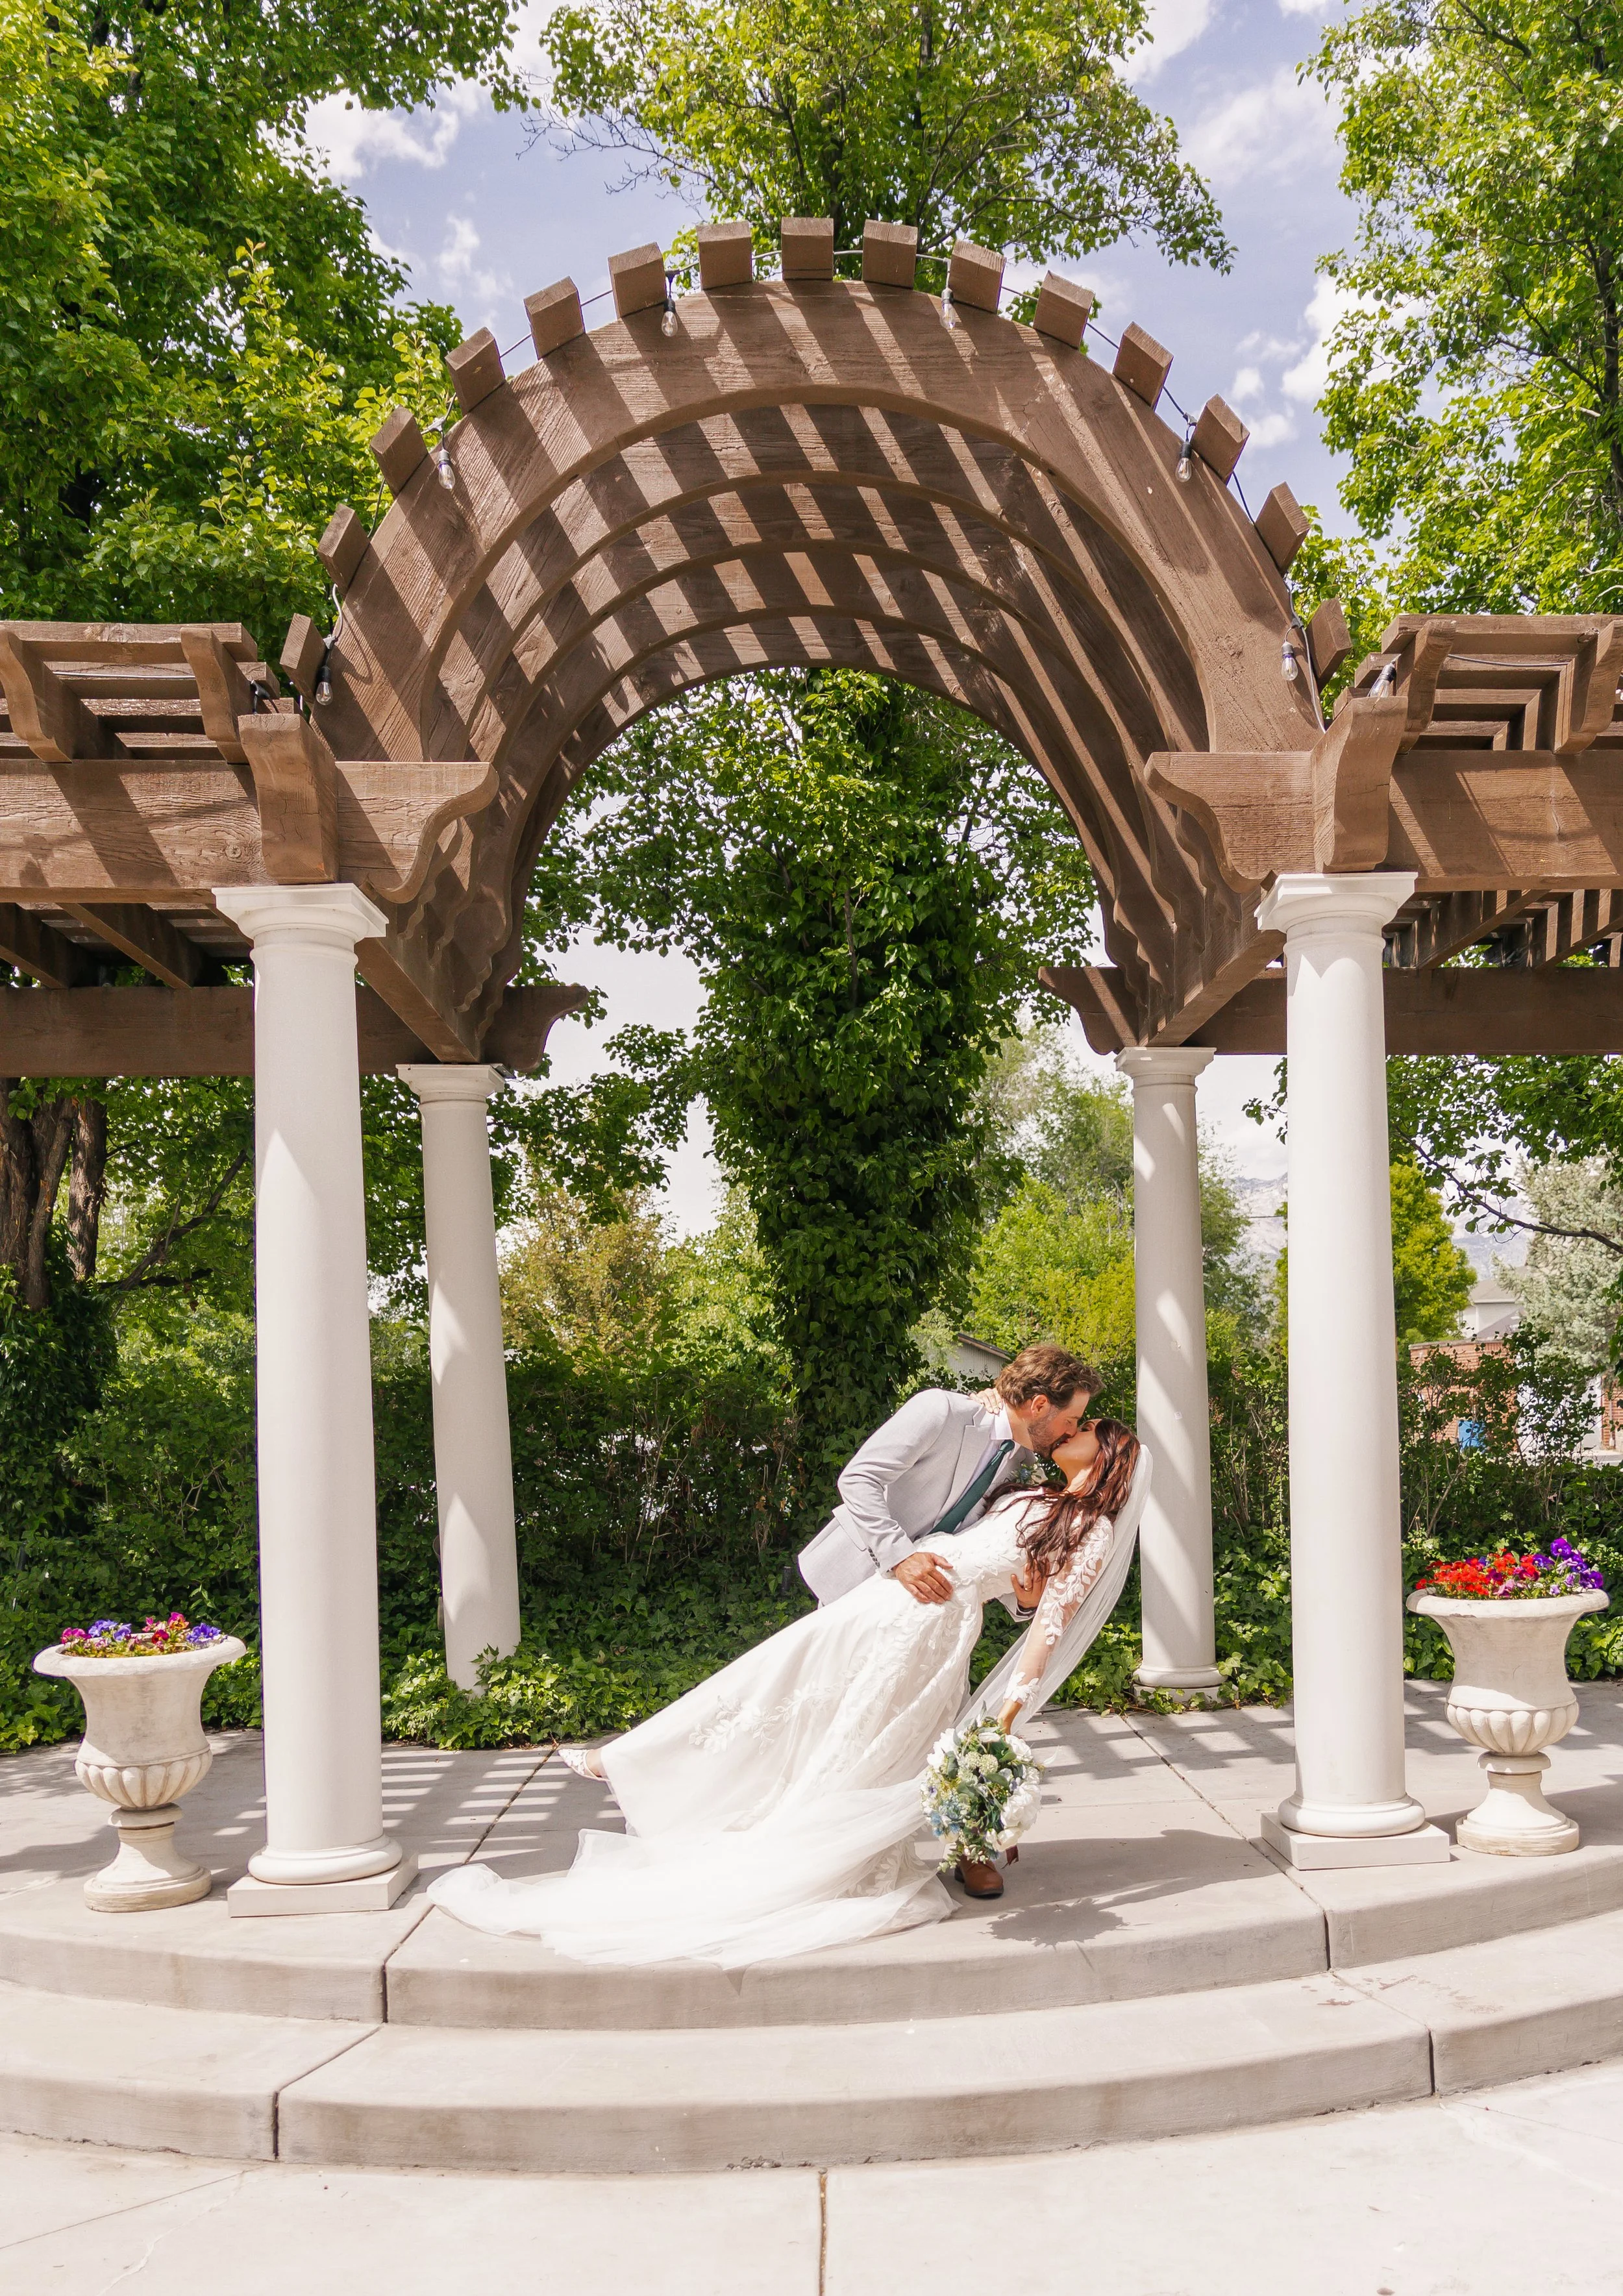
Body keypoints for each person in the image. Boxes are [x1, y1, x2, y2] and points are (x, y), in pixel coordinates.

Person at [426, 1420, 1144, 1966]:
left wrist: (1011, 1708)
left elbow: (1046, 1619)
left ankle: (751, 1817)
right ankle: (642, 1758)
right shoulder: (1030, 1492)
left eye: (1083, 1431)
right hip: (894, 1598)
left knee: (860, 1733)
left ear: (1106, 1455)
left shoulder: (1093, 1531)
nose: (1067, 1433)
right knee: (784, 1681)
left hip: (933, 1625)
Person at [796, 1343, 1100, 1607]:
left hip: (922, 1606)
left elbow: (993, 1544)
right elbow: (859, 1479)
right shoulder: (942, 1411)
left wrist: (1024, 1601)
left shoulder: (1025, 1466)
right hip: (857, 1570)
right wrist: (901, 1557)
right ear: (1039, 1405)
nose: (1071, 1431)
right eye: (1071, 1420)